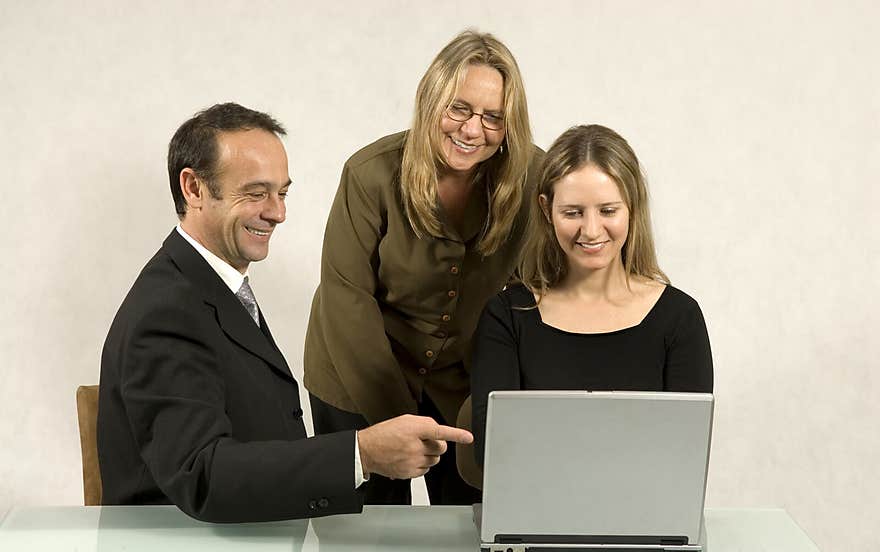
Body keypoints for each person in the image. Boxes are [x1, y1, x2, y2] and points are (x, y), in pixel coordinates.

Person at [96, 102, 472, 523]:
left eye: (282, 192)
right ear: (194, 189)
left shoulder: (210, 287)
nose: (278, 212)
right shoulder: (166, 312)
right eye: (256, 193)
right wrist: (361, 454)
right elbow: (203, 474)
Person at [304, 30, 544, 505]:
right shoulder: (369, 173)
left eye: (493, 117)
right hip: (357, 369)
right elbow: (346, 297)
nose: (473, 130)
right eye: (459, 108)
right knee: (362, 543)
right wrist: (396, 420)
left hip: (462, 378)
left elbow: (546, 285)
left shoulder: (535, 175)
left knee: (467, 532)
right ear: (430, 99)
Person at [471, 124, 714, 465]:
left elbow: (685, 456)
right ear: (546, 209)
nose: (591, 230)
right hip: (534, 515)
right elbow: (494, 453)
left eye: (608, 211)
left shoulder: (679, 318)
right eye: (572, 213)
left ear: (633, 206)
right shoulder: (508, 315)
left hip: (648, 515)